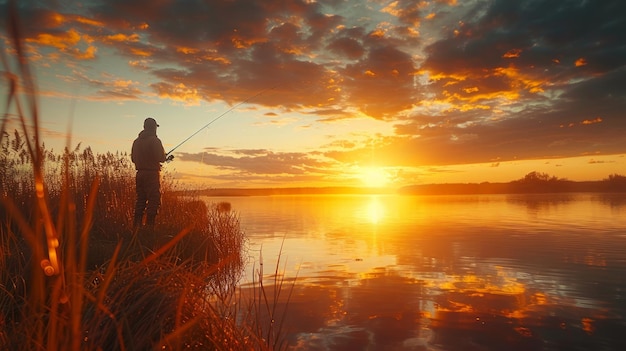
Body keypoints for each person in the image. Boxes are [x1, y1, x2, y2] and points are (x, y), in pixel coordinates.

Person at [131, 117, 168, 227]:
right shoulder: (155, 140)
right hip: (151, 174)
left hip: (139, 174)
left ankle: (136, 227)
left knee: (141, 200)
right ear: (153, 128)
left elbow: (133, 159)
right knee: (154, 200)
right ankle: (149, 228)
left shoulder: (136, 142)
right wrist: (165, 158)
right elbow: (161, 158)